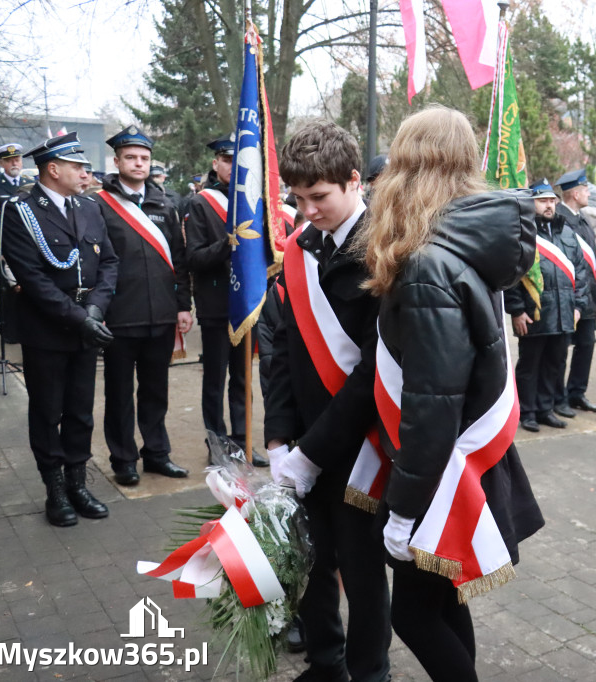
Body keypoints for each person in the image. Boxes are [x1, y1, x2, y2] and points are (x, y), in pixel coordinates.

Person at [360, 106, 544, 682]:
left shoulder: (427, 262)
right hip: (459, 464)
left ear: (408, 165)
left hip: (439, 475)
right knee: (445, 601)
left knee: (414, 616)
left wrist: (404, 511)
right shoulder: (463, 243)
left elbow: (431, 402)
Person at [265, 121, 391, 682]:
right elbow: (283, 350)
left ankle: (369, 673)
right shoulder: (301, 249)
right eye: (298, 198)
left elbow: (373, 373)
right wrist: (277, 437)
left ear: (354, 182)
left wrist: (310, 453)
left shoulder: (385, 251)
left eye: (319, 197)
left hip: (362, 446)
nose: (308, 210)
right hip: (304, 444)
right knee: (311, 565)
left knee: (363, 577)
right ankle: (325, 664)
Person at [1, 132, 119, 526]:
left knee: (81, 412)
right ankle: (55, 491)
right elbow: (32, 278)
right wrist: (79, 318)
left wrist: (97, 309)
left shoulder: (88, 207)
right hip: (48, 330)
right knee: (48, 411)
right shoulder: (21, 210)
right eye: (77, 166)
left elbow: (109, 264)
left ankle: (78, 484)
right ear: (53, 169)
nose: (85, 172)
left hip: (87, 324)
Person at [95, 126, 192, 486]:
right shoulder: (101, 206)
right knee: (119, 393)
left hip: (162, 315)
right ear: (117, 161)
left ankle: (157, 454)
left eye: (145, 158)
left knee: (156, 390)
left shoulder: (165, 204)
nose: (139, 164)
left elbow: (179, 260)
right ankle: (123, 459)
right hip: (120, 317)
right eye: (131, 157)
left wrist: (183, 305)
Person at [183, 134, 268, 466]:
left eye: (239, 160)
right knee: (215, 379)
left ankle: (244, 441)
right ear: (216, 164)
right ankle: (217, 445)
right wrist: (228, 244)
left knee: (244, 378)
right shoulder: (201, 203)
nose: (234, 167)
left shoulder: (254, 200)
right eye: (228, 160)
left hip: (248, 303)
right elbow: (195, 258)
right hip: (217, 303)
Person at [504, 178, 589, 431]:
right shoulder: (522, 233)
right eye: (543, 201)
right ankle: (526, 412)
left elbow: (580, 272)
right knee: (530, 366)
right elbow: (513, 276)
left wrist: (578, 306)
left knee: (554, 364)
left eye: (552, 200)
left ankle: (545, 409)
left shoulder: (566, 232)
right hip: (535, 313)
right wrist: (517, 310)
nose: (549, 205)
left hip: (564, 313)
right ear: (532, 204)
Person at [554, 168, 596, 414]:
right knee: (561, 349)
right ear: (575, 193)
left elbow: (594, 261)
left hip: (588, 295)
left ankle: (577, 393)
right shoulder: (559, 218)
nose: (589, 193)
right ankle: (557, 397)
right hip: (569, 295)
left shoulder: (584, 218)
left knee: (586, 344)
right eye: (585, 189)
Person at [0, 143, 25, 347]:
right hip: (4, 248)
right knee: (6, 290)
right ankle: (7, 329)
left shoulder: (29, 183)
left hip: (26, 247)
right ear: (1, 162)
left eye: (17, 159)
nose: (14, 163)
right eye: (9, 160)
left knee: (25, 288)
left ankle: (22, 327)